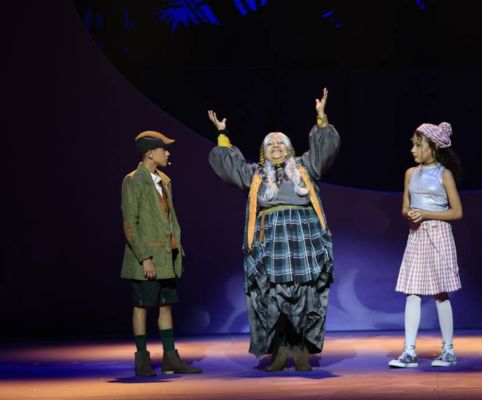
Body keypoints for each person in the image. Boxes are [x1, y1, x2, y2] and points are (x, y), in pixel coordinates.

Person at [207, 88, 340, 371]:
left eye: (281, 143)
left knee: (305, 292)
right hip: (270, 239)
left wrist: (321, 118)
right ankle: (279, 350)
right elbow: (229, 167)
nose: (276, 146)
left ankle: (301, 348)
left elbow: (326, 150)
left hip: (303, 236)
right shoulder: (256, 174)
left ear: (290, 148)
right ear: (263, 151)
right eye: (270, 144)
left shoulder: (305, 166)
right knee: (272, 294)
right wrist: (222, 135)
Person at [121, 130, 202, 376]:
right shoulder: (133, 180)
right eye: (163, 149)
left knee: (166, 304)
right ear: (149, 153)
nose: (167, 154)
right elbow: (130, 223)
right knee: (142, 306)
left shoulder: (164, 180)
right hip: (146, 257)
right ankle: (142, 359)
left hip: (166, 255)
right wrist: (144, 257)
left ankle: (170, 358)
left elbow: (169, 219)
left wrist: (177, 249)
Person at [388, 122, 463, 368]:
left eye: (418, 145)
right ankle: (409, 351)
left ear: (433, 147)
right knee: (412, 291)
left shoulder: (444, 174)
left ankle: (448, 350)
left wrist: (426, 214)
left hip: (439, 234)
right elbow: (405, 207)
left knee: (441, 293)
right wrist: (410, 214)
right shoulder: (410, 173)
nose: (413, 149)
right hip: (417, 235)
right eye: (413, 144)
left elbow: (456, 212)